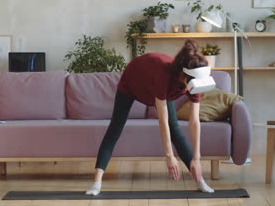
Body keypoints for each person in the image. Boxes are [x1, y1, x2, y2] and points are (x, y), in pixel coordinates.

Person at [86, 39, 215, 196]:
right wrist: (169, 156)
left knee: (176, 132)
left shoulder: (195, 82)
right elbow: (163, 121)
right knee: (115, 128)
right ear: (183, 74)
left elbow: (194, 121)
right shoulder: (164, 77)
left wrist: (196, 157)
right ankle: (96, 183)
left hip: (159, 87)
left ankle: (200, 181)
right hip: (133, 81)